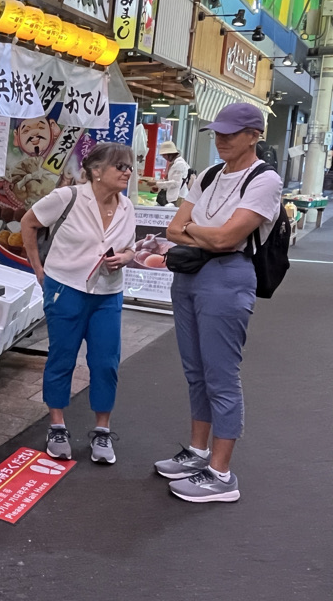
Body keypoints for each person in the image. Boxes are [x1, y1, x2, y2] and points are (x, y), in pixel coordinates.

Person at [159, 103, 282, 503]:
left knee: (221, 376)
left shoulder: (265, 180)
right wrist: (205, 232)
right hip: (190, 276)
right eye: (218, 132)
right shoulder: (210, 173)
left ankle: (222, 473)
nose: (222, 139)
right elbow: (172, 228)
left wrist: (196, 230)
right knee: (195, 370)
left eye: (232, 132)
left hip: (229, 277)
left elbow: (230, 240)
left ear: (254, 135)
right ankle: (198, 452)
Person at [20, 143, 137, 464]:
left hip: (109, 293)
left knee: (106, 362)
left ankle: (102, 430)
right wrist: (39, 269)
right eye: (120, 166)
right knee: (62, 358)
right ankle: (56, 424)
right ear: (96, 171)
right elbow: (28, 223)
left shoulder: (127, 207)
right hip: (65, 287)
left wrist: (125, 258)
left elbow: (129, 248)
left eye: (129, 166)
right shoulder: (67, 198)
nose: (127, 172)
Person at [149, 140, 189, 206]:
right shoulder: (174, 163)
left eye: (164, 155)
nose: (163, 157)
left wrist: (156, 183)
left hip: (177, 198)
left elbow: (175, 183)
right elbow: (170, 180)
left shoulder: (180, 164)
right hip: (172, 197)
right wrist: (158, 185)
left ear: (170, 154)